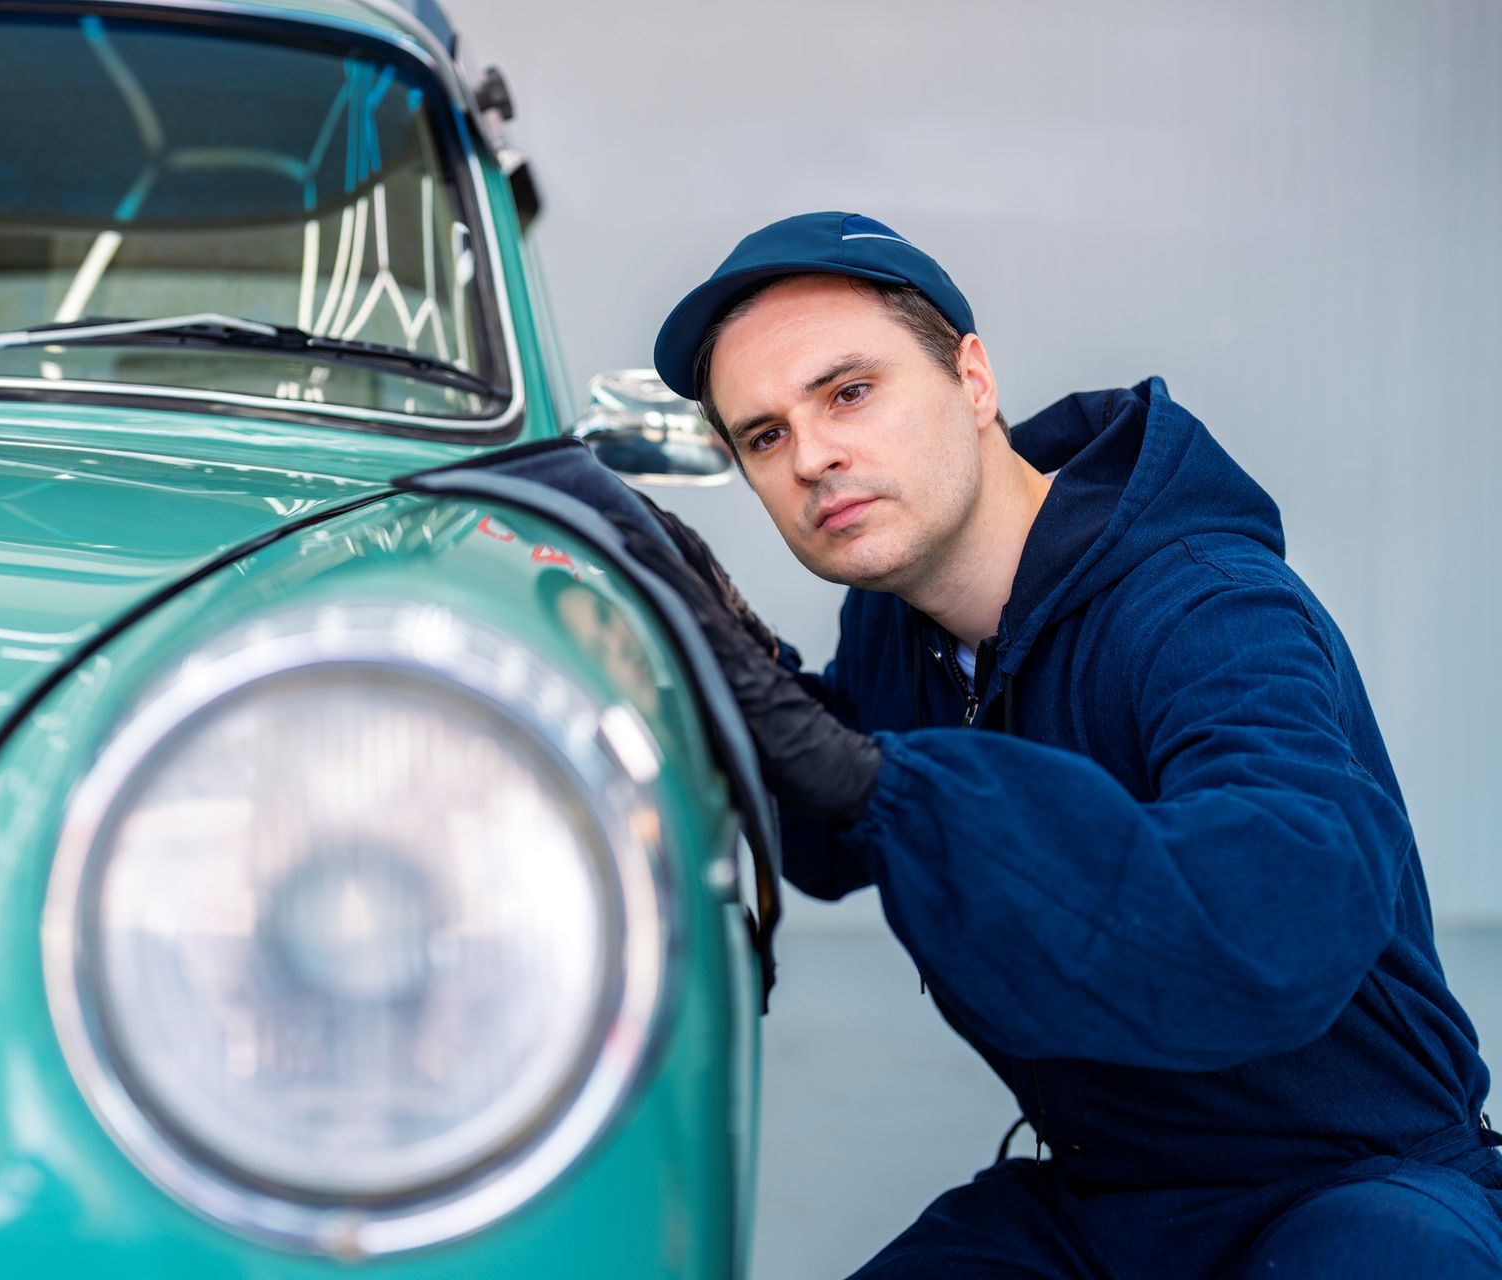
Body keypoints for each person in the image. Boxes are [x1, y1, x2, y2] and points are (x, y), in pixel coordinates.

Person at [628, 211, 1502, 1277]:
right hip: (1102, 1201)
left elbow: (1287, 906)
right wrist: (712, 670)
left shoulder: (1209, 611)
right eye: (764, 435)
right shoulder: (902, 633)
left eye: (849, 391)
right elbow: (836, 833)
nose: (813, 456)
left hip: (1353, 1185)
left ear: (974, 378)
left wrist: (881, 781)